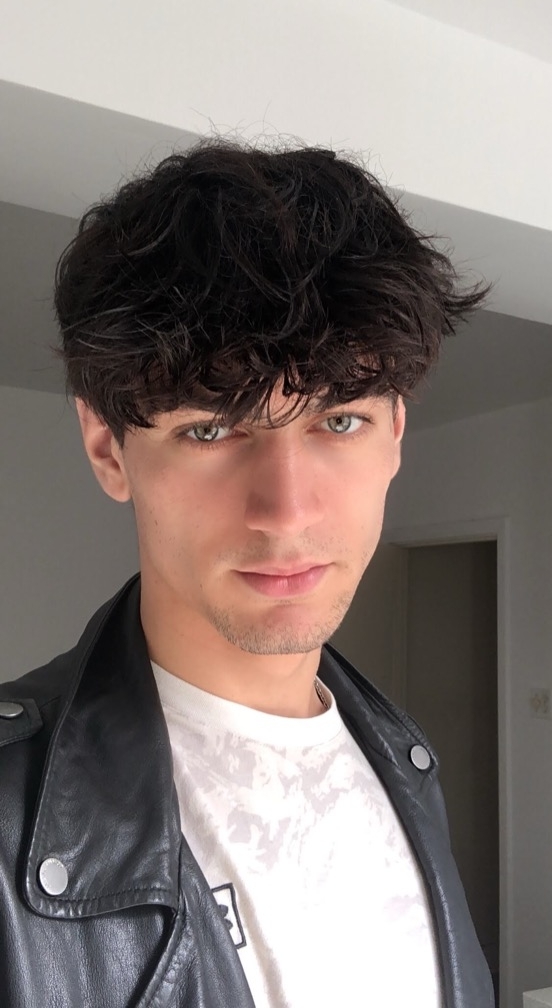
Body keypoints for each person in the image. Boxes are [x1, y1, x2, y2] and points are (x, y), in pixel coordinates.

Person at [0, 139, 494, 1007]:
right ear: (107, 447)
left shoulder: (404, 761)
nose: (286, 511)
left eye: (338, 422)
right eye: (210, 430)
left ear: (395, 433)